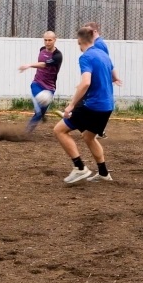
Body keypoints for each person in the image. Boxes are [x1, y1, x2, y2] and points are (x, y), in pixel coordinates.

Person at [53, 26, 114, 184]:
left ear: (80, 41)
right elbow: (113, 76)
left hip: (94, 106)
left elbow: (86, 82)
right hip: (107, 106)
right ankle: (104, 173)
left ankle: (79, 168)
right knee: (88, 137)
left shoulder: (86, 57)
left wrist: (72, 105)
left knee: (59, 130)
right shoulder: (103, 54)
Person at [83, 22, 122, 139]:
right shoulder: (99, 43)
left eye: (88, 32)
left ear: (94, 32)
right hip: (99, 80)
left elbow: (104, 63)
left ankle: (98, 130)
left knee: (90, 103)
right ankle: (97, 129)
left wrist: (110, 77)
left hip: (98, 81)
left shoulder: (98, 45)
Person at [18, 31, 63, 133]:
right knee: (38, 113)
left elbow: (44, 64)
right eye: (45, 40)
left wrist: (29, 65)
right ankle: (25, 133)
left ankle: (43, 113)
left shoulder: (57, 56)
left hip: (50, 87)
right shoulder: (42, 50)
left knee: (41, 111)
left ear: (55, 40)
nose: (47, 42)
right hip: (37, 83)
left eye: (50, 40)